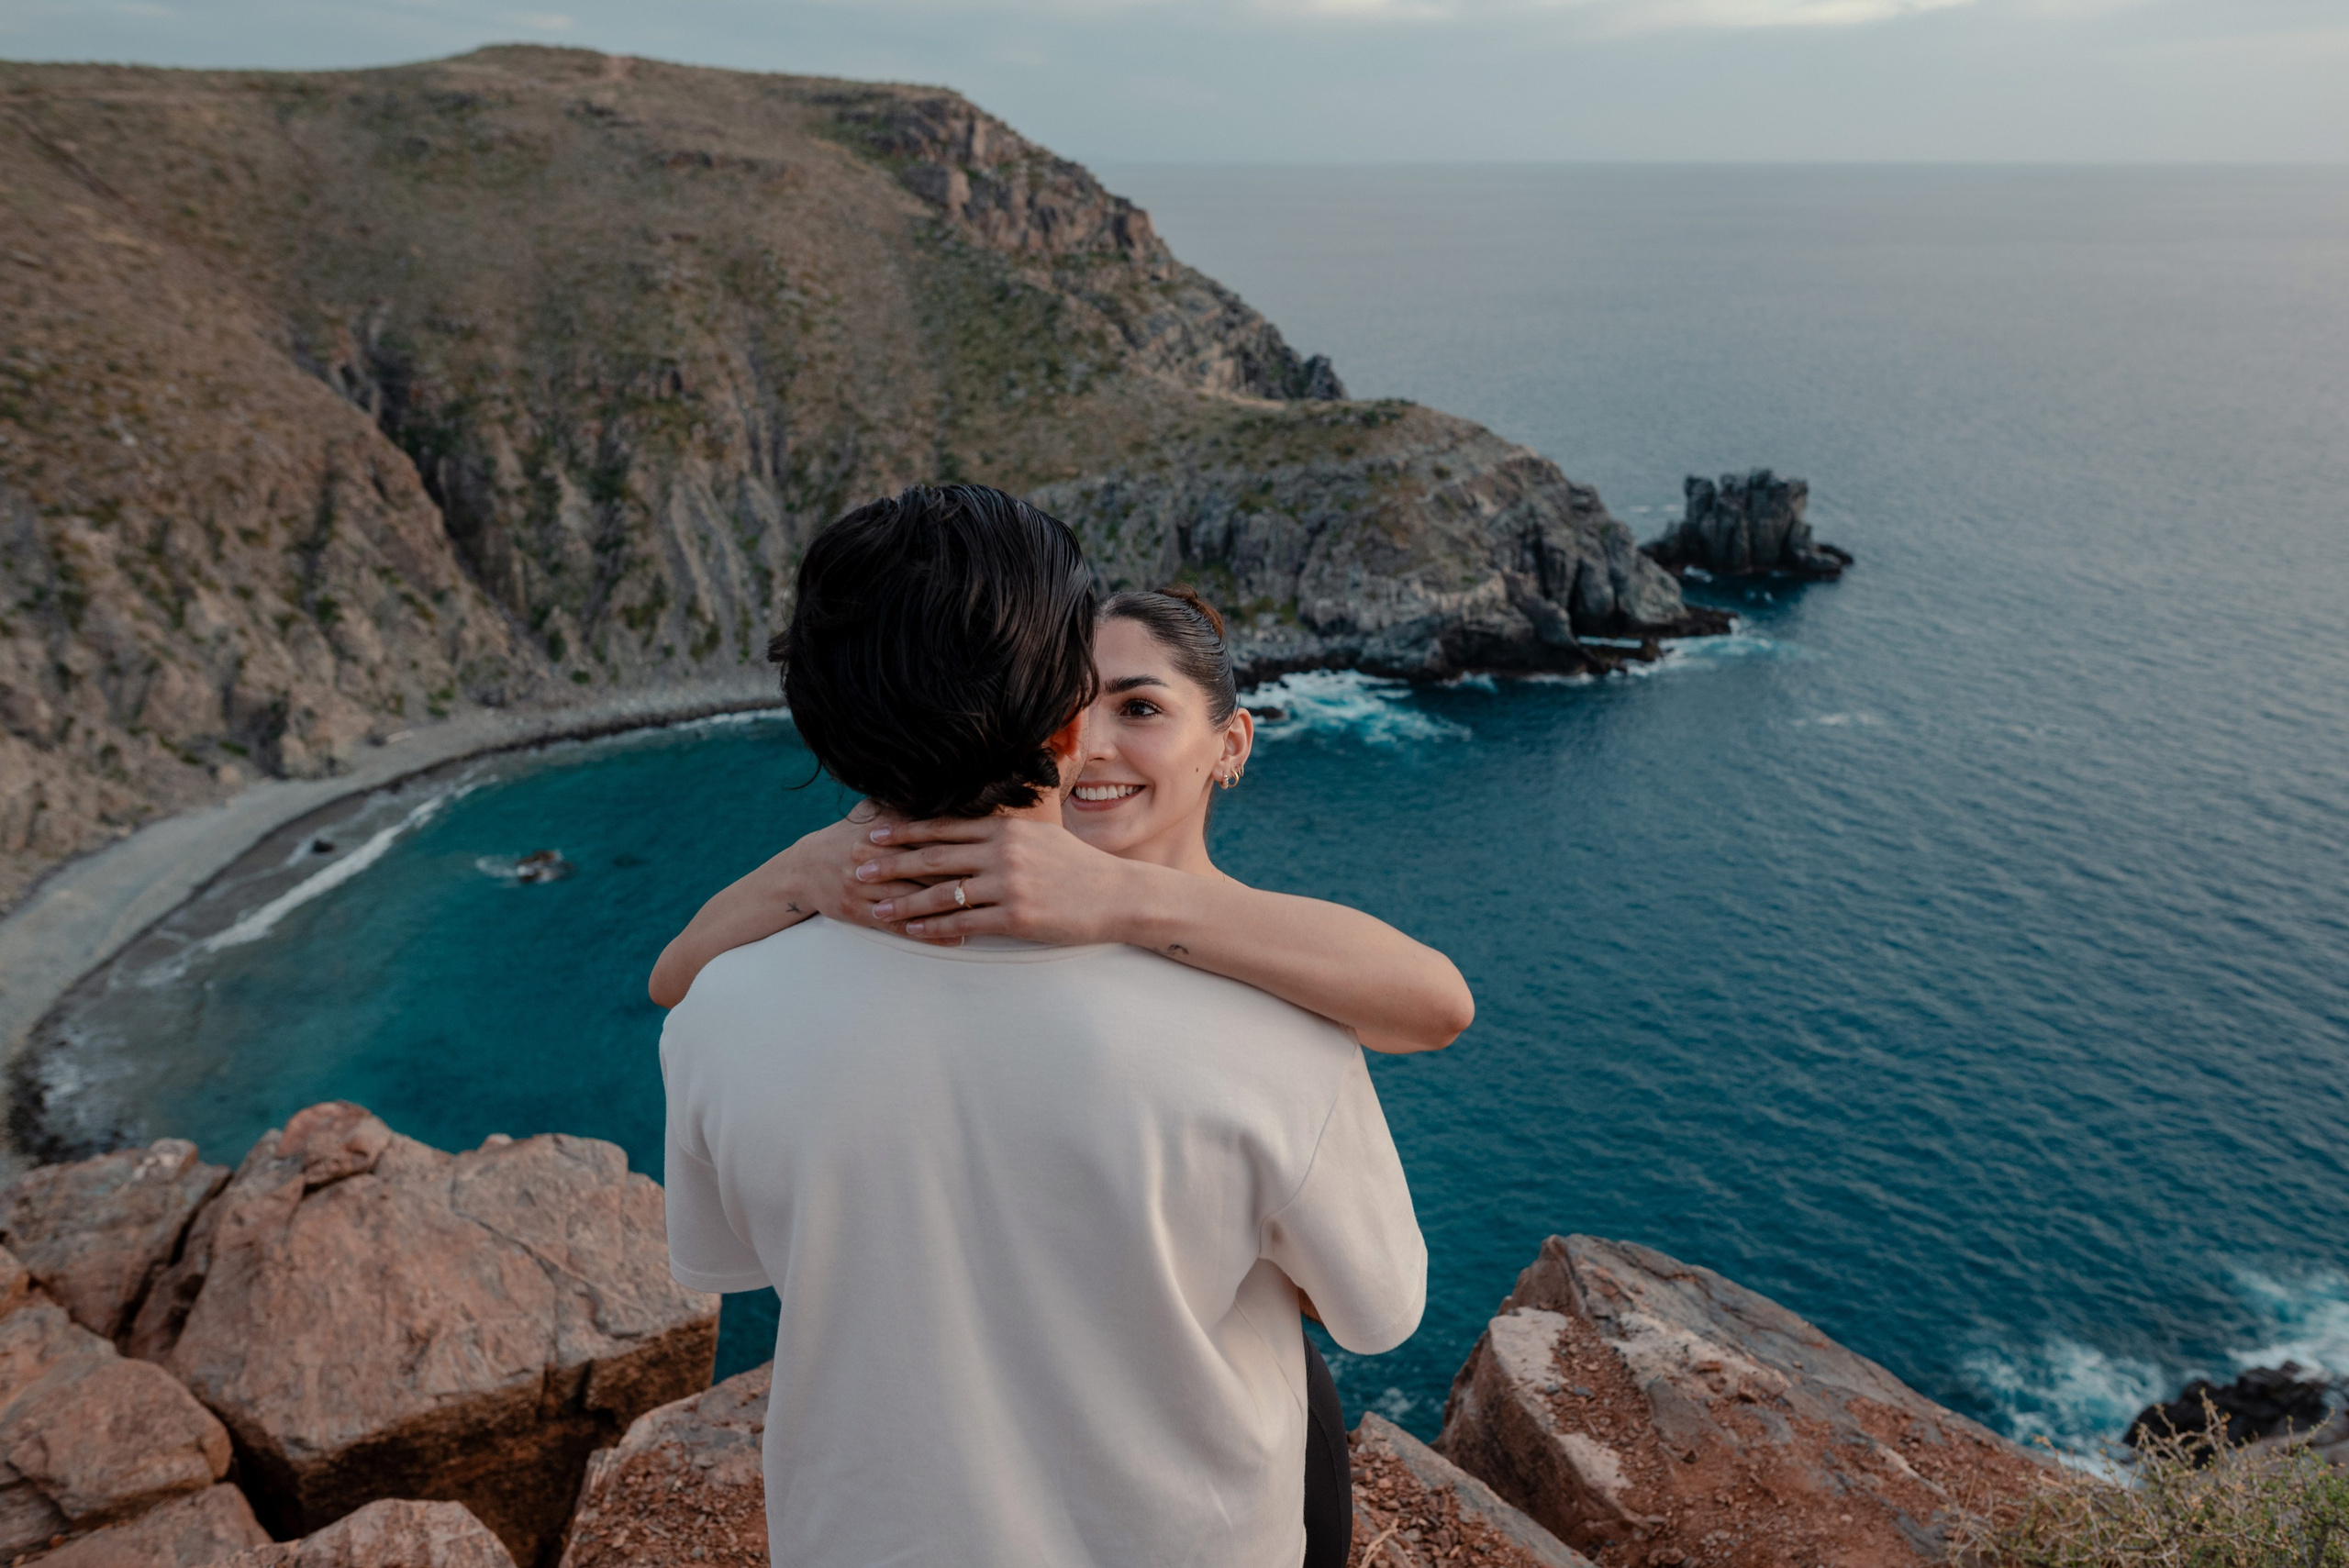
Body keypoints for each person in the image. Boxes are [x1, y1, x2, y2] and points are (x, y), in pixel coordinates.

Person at [659, 484, 1427, 1567]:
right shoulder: (1275, 1034)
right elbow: (1376, 1309)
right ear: (1068, 722)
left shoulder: (719, 1014)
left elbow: (731, 1248)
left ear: (820, 723)